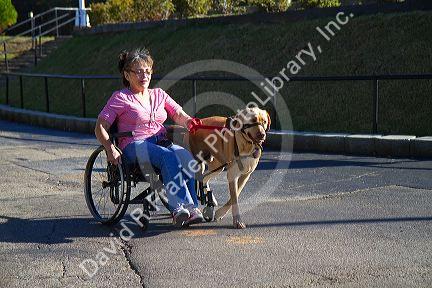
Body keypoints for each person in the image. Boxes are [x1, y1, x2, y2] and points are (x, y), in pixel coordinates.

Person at [94, 48, 203, 227]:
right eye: (138, 71)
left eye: (147, 71)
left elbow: (178, 114)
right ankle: (180, 208)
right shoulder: (120, 98)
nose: (144, 75)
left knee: (186, 157)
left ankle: (192, 209)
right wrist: (109, 148)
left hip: (159, 141)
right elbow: (100, 127)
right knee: (167, 156)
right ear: (127, 75)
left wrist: (190, 122)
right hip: (133, 145)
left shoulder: (159, 94)